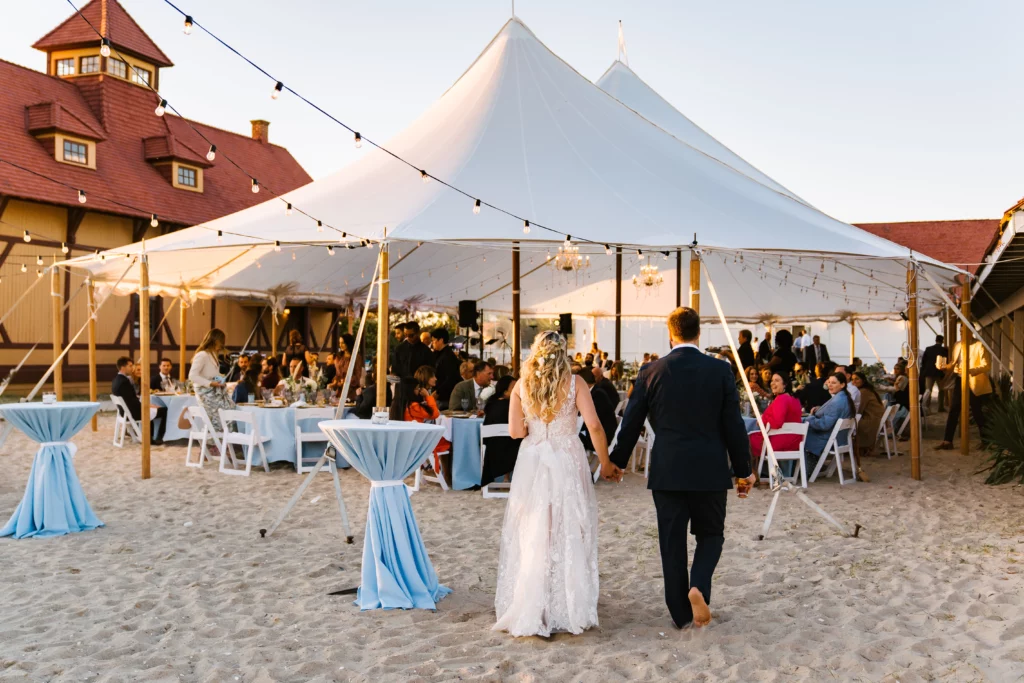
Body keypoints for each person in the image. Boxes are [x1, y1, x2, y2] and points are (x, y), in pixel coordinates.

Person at [610, 307, 752, 629]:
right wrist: (744, 469)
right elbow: (733, 424)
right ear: (698, 333)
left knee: (671, 542)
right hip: (710, 469)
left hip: (668, 470)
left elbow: (630, 422)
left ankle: (680, 614)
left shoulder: (651, 371)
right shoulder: (720, 371)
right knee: (711, 534)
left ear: (670, 333)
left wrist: (617, 462)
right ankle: (698, 586)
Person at [493, 331, 611, 637]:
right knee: (569, 526)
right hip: (567, 457)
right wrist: (606, 463)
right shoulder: (576, 383)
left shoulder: (521, 385)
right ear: (564, 352)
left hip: (532, 458)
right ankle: (566, 605)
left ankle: (537, 604)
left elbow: (516, 432)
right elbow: (595, 425)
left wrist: (537, 427)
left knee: (533, 528)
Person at [937, 338, 992, 450]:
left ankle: (986, 442)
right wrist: (945, 367)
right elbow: (953, 362)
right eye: (961, 331)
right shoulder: (957, 344)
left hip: (973, 381)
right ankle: (948, 441)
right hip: (959, 380)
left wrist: (970, 370)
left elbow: (987, 365)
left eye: (964, 331)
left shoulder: (979, 345)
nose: (962, 333)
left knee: (977, 411)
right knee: (954, 409)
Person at [391, 377, 451, 472]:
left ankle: (425, 465)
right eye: (417, 388)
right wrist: (428, 396)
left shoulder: (397, 406)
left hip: (407, 442)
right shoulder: (413, 407)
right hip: (418, 443)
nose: (418, 391)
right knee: (449, 440)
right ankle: (447, 473)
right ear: (410, 390)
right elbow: (435, 414)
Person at [749, 372, 803, 475]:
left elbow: (777, 422)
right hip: (794, 441)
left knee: (745, 439)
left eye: (777, 380)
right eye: (772, 380)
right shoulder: (794, 398)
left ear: (785, 385)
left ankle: (750, 474)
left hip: (780, 441)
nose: (773, 383)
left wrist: (762, 420)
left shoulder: (782, 399)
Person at [804, 373, 855, 467]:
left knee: (799, 436)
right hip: (840, 438)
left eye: (834, 383)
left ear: (842, 384)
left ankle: (805, 468)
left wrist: (809, 418)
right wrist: (822, 409)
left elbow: (824, 425)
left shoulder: (837, 401)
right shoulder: (844, 397)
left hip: (828, 439)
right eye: (829, 382)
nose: (830, 385)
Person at [112, 356, 167, 444]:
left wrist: (149, 406)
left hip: (124, 412)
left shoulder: (116, 380)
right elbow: (133, 402)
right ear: (123, 367)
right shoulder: (124, 381)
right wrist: (148, 406)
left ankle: (153, 435)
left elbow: (131, 400)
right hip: (133, 413)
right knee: (164, 410)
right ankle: (158, 437)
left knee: (155, 409)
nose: (132, 368)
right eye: (130, 366)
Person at [189, 328, 234, 433]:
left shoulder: (214, 355)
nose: (223, 344)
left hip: (214, 390)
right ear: (215, 340)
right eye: (222, 341)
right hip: (205, 392)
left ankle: (223, 439)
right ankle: (214, 443)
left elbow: (212, 374)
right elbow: (192, 375)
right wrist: (210, 383)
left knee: (229, 409)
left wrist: (220, 380)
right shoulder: (202, 355)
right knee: (216, 418)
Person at [481, 376, 522, 485]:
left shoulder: (491, 403)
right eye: (514, 387)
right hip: (511, 450)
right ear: (505, 391)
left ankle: (505, 478)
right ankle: (508, 478)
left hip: (492, 449)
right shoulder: (513, 405)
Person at [851, 372, 883, 469]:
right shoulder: (867, 390)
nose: (854, 382)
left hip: (870, 421)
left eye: (857, 379)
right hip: (875, 419)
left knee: (850, 423)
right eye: (852, 379)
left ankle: (851, 448)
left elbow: (858, 410)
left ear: (863, 380)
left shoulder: (863, 392)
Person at [581, 372, 618, 453]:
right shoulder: (596, 391)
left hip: (602, 437)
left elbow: (592, 422)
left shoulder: (597, 395)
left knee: (572, 440)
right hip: (599, 433)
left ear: (583, 382)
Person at [431, 328, 462, 410]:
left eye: (434, 340)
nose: (432, 343)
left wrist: (438, 392)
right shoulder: (439, 354)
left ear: (440, 340)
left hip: (445, 397)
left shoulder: (448, 357)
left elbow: (450, 378)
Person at [919, 335, 948, 413]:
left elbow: (923, 361)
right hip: (939, 373)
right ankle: (940, 407)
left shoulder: (928, 349)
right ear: (942, 341)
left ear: (935, 340)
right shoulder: (944, 350)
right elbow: (946, 362)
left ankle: (927, 408)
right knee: (941, 391)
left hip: (929, 372)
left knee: (928, 391)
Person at [330, 333, 362, 402]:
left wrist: (345, 381)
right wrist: (334, 382)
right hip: (340, 391)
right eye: (339, 343)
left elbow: (357, 376)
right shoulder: (339, 357)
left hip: (351, 391)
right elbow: (338, 374)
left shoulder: (356, 357)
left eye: (343, 343)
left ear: (348, 343)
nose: (340, 345)